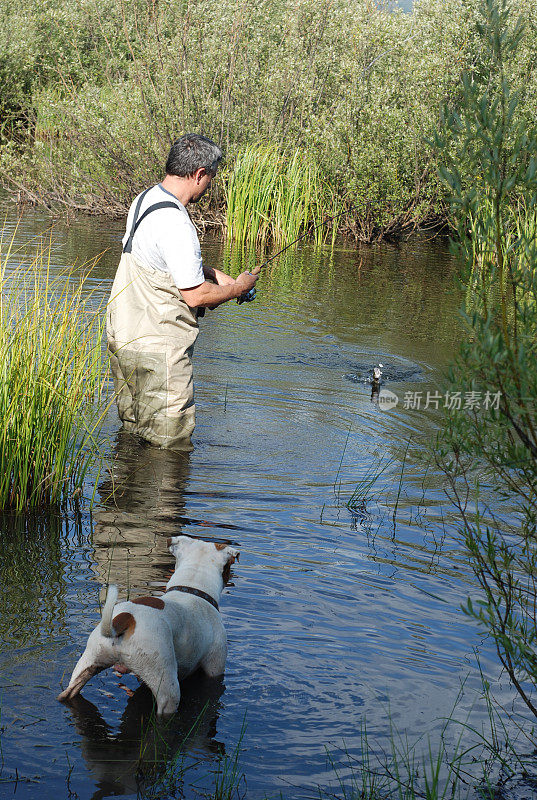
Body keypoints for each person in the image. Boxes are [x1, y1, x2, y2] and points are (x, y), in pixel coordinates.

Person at [107, 133, 258, 449]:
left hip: (124, 337)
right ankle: (166, 499)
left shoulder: (145, 200)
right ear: (199, 174)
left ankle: (127, 495)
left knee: (134, 433)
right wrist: (239, 288)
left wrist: (219, 276)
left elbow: (161, 261)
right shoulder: (177, 223)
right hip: (158, 349)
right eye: (211, 177)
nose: (210, 185)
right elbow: (195, 296)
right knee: (170, 444)